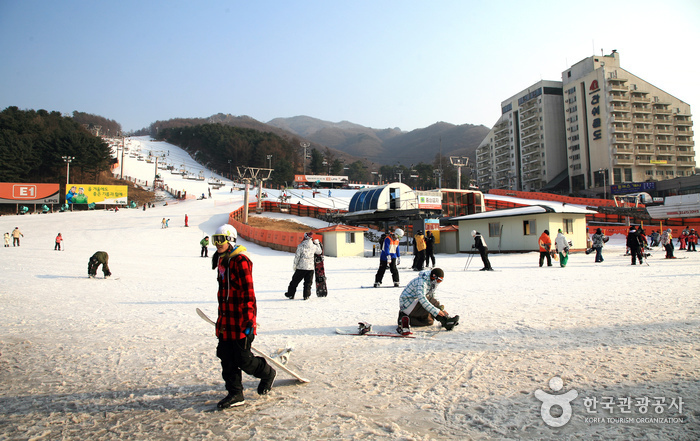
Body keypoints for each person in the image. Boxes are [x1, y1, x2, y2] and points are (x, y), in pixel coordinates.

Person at [210, 224, 276, 408]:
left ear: (230, 240)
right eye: (216, 240)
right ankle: (235, 394)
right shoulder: (223, 261)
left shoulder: (240, 261)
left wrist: (249, 321)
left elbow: (248, 293)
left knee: (243, 359)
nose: (217, 244)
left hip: (240, 320)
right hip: (226, 319)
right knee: (225, 356)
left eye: (220, 240)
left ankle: (267, 373)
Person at [284, 232, 322, 300]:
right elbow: (319, 251)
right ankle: (306, 295)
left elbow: (297, 257)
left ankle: (290, 294)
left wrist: (295, 265)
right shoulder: (313, 246)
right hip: (310, 267)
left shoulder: (301, 245)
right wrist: (317, 243)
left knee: (294, 281)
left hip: (301, 267)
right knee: (308, 283)